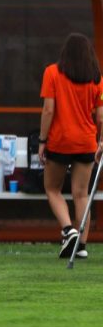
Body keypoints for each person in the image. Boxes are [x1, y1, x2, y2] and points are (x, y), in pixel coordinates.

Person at [37, 33, 103, 260]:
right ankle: (81, 244)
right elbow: (101, 116)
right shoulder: (97, 78)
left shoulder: (52, 73)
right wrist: (99, 141)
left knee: (52, 189)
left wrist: (42, 141)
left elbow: (48, 110)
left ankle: (68, 230)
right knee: (81, 194)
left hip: (59, 140)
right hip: (86, 141)